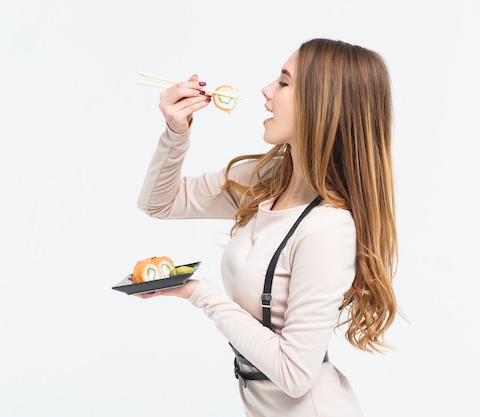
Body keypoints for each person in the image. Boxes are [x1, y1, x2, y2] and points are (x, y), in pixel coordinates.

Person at [134, 38, 398, 417]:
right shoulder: (267, 182)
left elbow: (295, 375)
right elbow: (159, 202)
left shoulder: (328, 228)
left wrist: (198, 292)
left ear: (322, 105)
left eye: (284, 82)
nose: (266, 90)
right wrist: (177, 132)